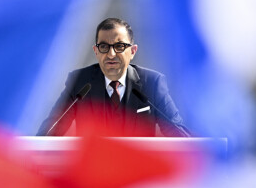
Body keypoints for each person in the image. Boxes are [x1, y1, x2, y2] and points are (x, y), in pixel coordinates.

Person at [37, 17, 189, 137]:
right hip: (94, 172)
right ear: (96, 51)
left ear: (133, 51)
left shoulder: (152, 83)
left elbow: (179, 135)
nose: (111, 54)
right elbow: (49, 132)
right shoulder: (80, 82)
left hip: (137, 170)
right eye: (104, 47)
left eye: (119, 46)